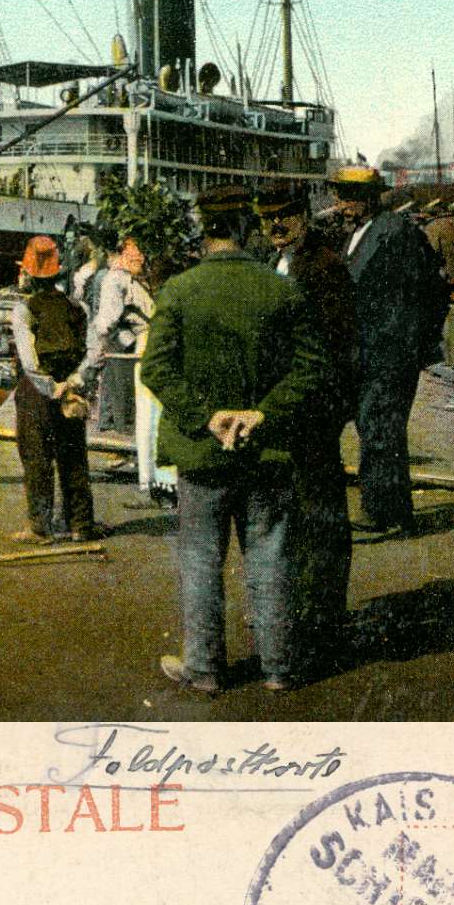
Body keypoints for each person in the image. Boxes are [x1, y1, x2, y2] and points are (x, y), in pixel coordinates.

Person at [141, 182, 327, 695]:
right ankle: (279, 666)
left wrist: (208, 417)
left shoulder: (177, 291)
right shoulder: (282, 289)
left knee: (201, 558)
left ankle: (203, 667)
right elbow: (311, 368)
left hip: (202, 452)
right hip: (266, 449)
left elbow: (156, 369)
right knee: (271, 554)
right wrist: (260, 414)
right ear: (248, 227)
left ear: (205, 230)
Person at [257, 187, 359, 666]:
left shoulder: (325, 266)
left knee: (321, 515)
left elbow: (342, 345)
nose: (276, 226)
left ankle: (324, 621)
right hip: (277, 412)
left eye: (284, 217)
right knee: (285, 514)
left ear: (303, 217)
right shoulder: (267, 262)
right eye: (267, 219)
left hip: (314, 411)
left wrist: (328, 409)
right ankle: (292, 612)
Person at [329, 164, 447, 539]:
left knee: (381, 429)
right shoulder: (362, 233)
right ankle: (394, 510)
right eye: (340, 196)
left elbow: (418, 294)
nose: (341, 204)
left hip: (388, 351)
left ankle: (383, 510)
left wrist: (401, 345)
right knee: (378, 429)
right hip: (370, 350)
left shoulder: (395, 233)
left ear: (367, 199)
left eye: (348, 197)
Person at [9, 234, 95, 543]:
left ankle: (41, 527)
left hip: (37, 394)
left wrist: (50, 387)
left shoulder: (24, 310)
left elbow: (30, 360)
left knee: (37, 460)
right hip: (71, 390)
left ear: (29, 275)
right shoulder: (78, 306)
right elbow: (93, 351)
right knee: (73, 458)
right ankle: (81, 524)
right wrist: (73, 381)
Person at [83, 234, 152, 459]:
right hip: (129, 345)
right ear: (122, 253)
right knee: (127, 400)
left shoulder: (130, 278)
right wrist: (101, 343)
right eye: (136, 251)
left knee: (129, 400)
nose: (141, 257)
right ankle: (130, 451)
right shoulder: (115, 279)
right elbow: (107, 320)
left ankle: (130, 451)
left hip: (138, 343)